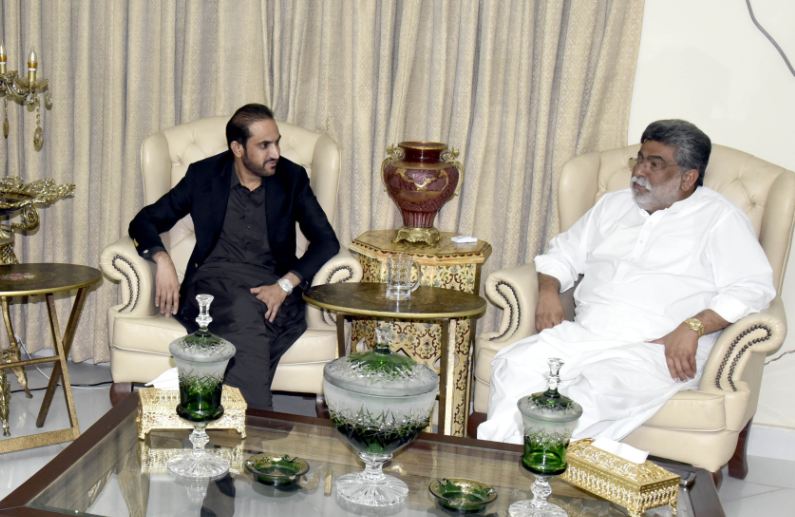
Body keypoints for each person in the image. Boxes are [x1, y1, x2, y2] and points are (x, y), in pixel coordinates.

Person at [478, 119, 775, 443]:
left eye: (655, 164)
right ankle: (500, 459)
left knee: (591, 393)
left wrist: (693, 327)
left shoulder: (719, 219)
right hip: (586, 336)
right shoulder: (613, 205)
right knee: (516, 366)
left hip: (654, 351)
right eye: (640, 159)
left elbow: (753, 288)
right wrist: (549, 292)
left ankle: (522, 462)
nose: (640, 171)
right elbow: (562, 254)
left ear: (688, 178)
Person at [129, 103, 340, 409]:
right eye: (264, 145)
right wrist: (162, 259)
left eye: (277, 142)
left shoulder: (291, 178)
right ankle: (258, 424)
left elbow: (326, 241)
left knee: (247, 319)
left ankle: (231, 420)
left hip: (271, 287)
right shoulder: (204, 176)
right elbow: (144, 221)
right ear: (238, 148)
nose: (276, 153)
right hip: (211, 285)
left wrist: (285, 285)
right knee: (245, 313)